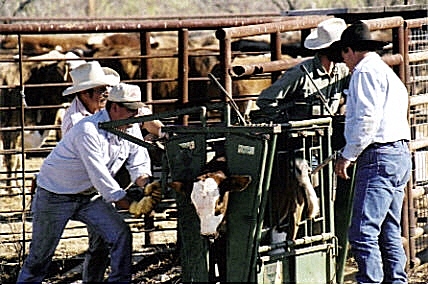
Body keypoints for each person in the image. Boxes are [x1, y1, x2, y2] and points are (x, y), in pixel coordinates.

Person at [17, 83, 157, 283]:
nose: (136, 115)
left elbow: (138, 161)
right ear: (115, 107)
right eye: (131, 109)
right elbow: (99, 176)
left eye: (137, 109)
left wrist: (147, 184)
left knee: (120, 235)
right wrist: (132, 205)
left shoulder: (130, 126)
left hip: (88, 195)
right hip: (54, 194)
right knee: (40, 257)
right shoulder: (87, 129)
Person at [61, 61, 164, 283]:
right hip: (87, 186)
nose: (105, 93)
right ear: (85, 93)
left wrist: (159, 133)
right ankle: (94, 281)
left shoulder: (118, 112)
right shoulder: (77, 123)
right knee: (100, 240)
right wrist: (128, 203)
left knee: (112, 236)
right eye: (101, 90)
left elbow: (145, 127)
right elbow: (95, 171)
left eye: (107, 89)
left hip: (110, 180)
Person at [333, 20, 411, 283]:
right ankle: (397, 281)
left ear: (349, 50)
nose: (344, 61)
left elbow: (367, 119)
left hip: (378, 155)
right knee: (389, 228)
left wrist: (348, 155)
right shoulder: (385, 71)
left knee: (362, 231)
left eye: (343, 55)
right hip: (398, 153)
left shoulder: (364, 73)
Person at [255, 17, 350, 123]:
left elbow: (351, 94)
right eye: (342, 48)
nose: (346, 51)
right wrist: (284, 123)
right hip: (300, 136)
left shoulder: (342, 72)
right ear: (330, 48)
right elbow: (265, 100)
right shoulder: (300, 73)